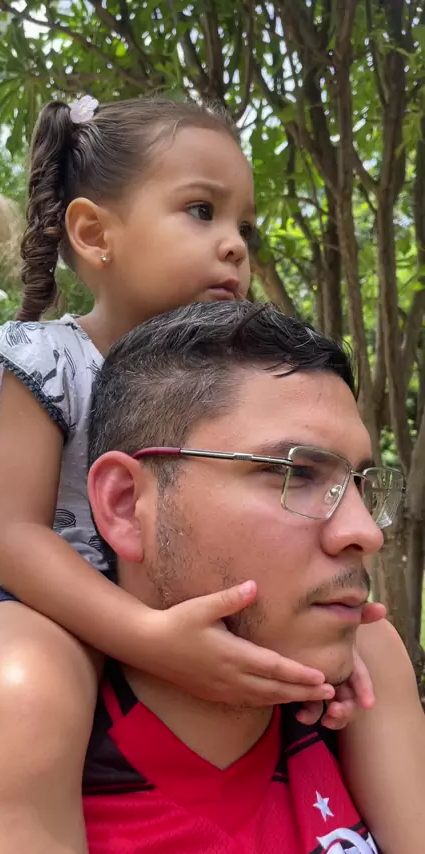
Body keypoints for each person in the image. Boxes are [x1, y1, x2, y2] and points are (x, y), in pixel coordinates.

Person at [0, 95, 371, 853]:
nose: (234, 245)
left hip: (148, 581)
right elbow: (14, 538)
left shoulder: (237, 381)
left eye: (243, 226)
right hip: (33, 593)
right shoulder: (47, 360)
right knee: (28, 691)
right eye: (202, 211)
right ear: (93, 233)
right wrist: (147, 637)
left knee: (372, 653)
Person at [80, 299, 421, 853]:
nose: (365, 532)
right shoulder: (17, 755)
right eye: (298, 473)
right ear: (125, 506)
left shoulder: (367, 701)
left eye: (359, 484)